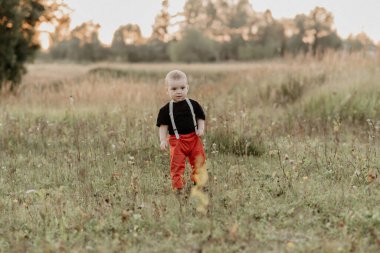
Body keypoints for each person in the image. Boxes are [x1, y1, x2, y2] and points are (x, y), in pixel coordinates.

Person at [156, 70, 206, 193]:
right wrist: (163, 139)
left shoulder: (193, 104)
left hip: (194, 139)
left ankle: (198, 183)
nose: (179, 91)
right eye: (174, 89)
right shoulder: (165, 110)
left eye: (182, 88)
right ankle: (178, 187)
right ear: (167, 90)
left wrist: (201, 128)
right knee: (177, 165)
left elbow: (200, 118)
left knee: (199, 160)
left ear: (187, 87)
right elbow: (163, 126)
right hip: (177, 141)